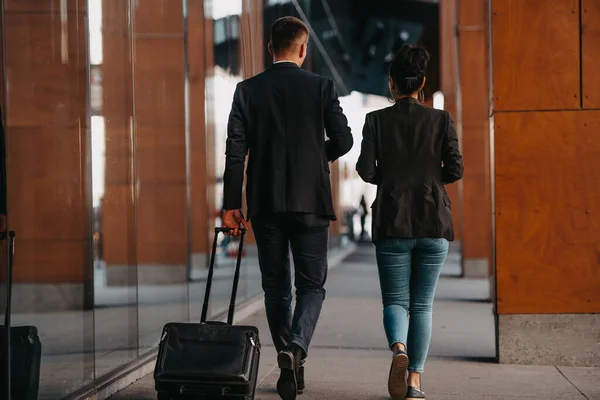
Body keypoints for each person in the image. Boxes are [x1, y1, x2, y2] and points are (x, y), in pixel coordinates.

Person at [221, 16, 353, 400]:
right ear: (302, 48)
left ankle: (288, 358)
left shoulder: (247, 91)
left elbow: (234, 154)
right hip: (311, 201)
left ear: (269, 49)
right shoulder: (322, 87)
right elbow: (343, 140)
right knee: (312, 285)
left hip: (265, 203)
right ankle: (295, 350)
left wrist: (231, 206)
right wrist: (317, 158)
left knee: (275, 287)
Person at [356, 45, 463, 400]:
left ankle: (398, 348)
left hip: (392, 221)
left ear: (391, 84)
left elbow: (365, 170)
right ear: (422, 83)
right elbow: (456, 168)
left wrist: (391, 181)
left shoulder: (375, 121)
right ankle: (414, 381)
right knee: (423, 305)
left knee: (395, 301)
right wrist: (430, 181)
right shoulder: (441, 120)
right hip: (434, 221)